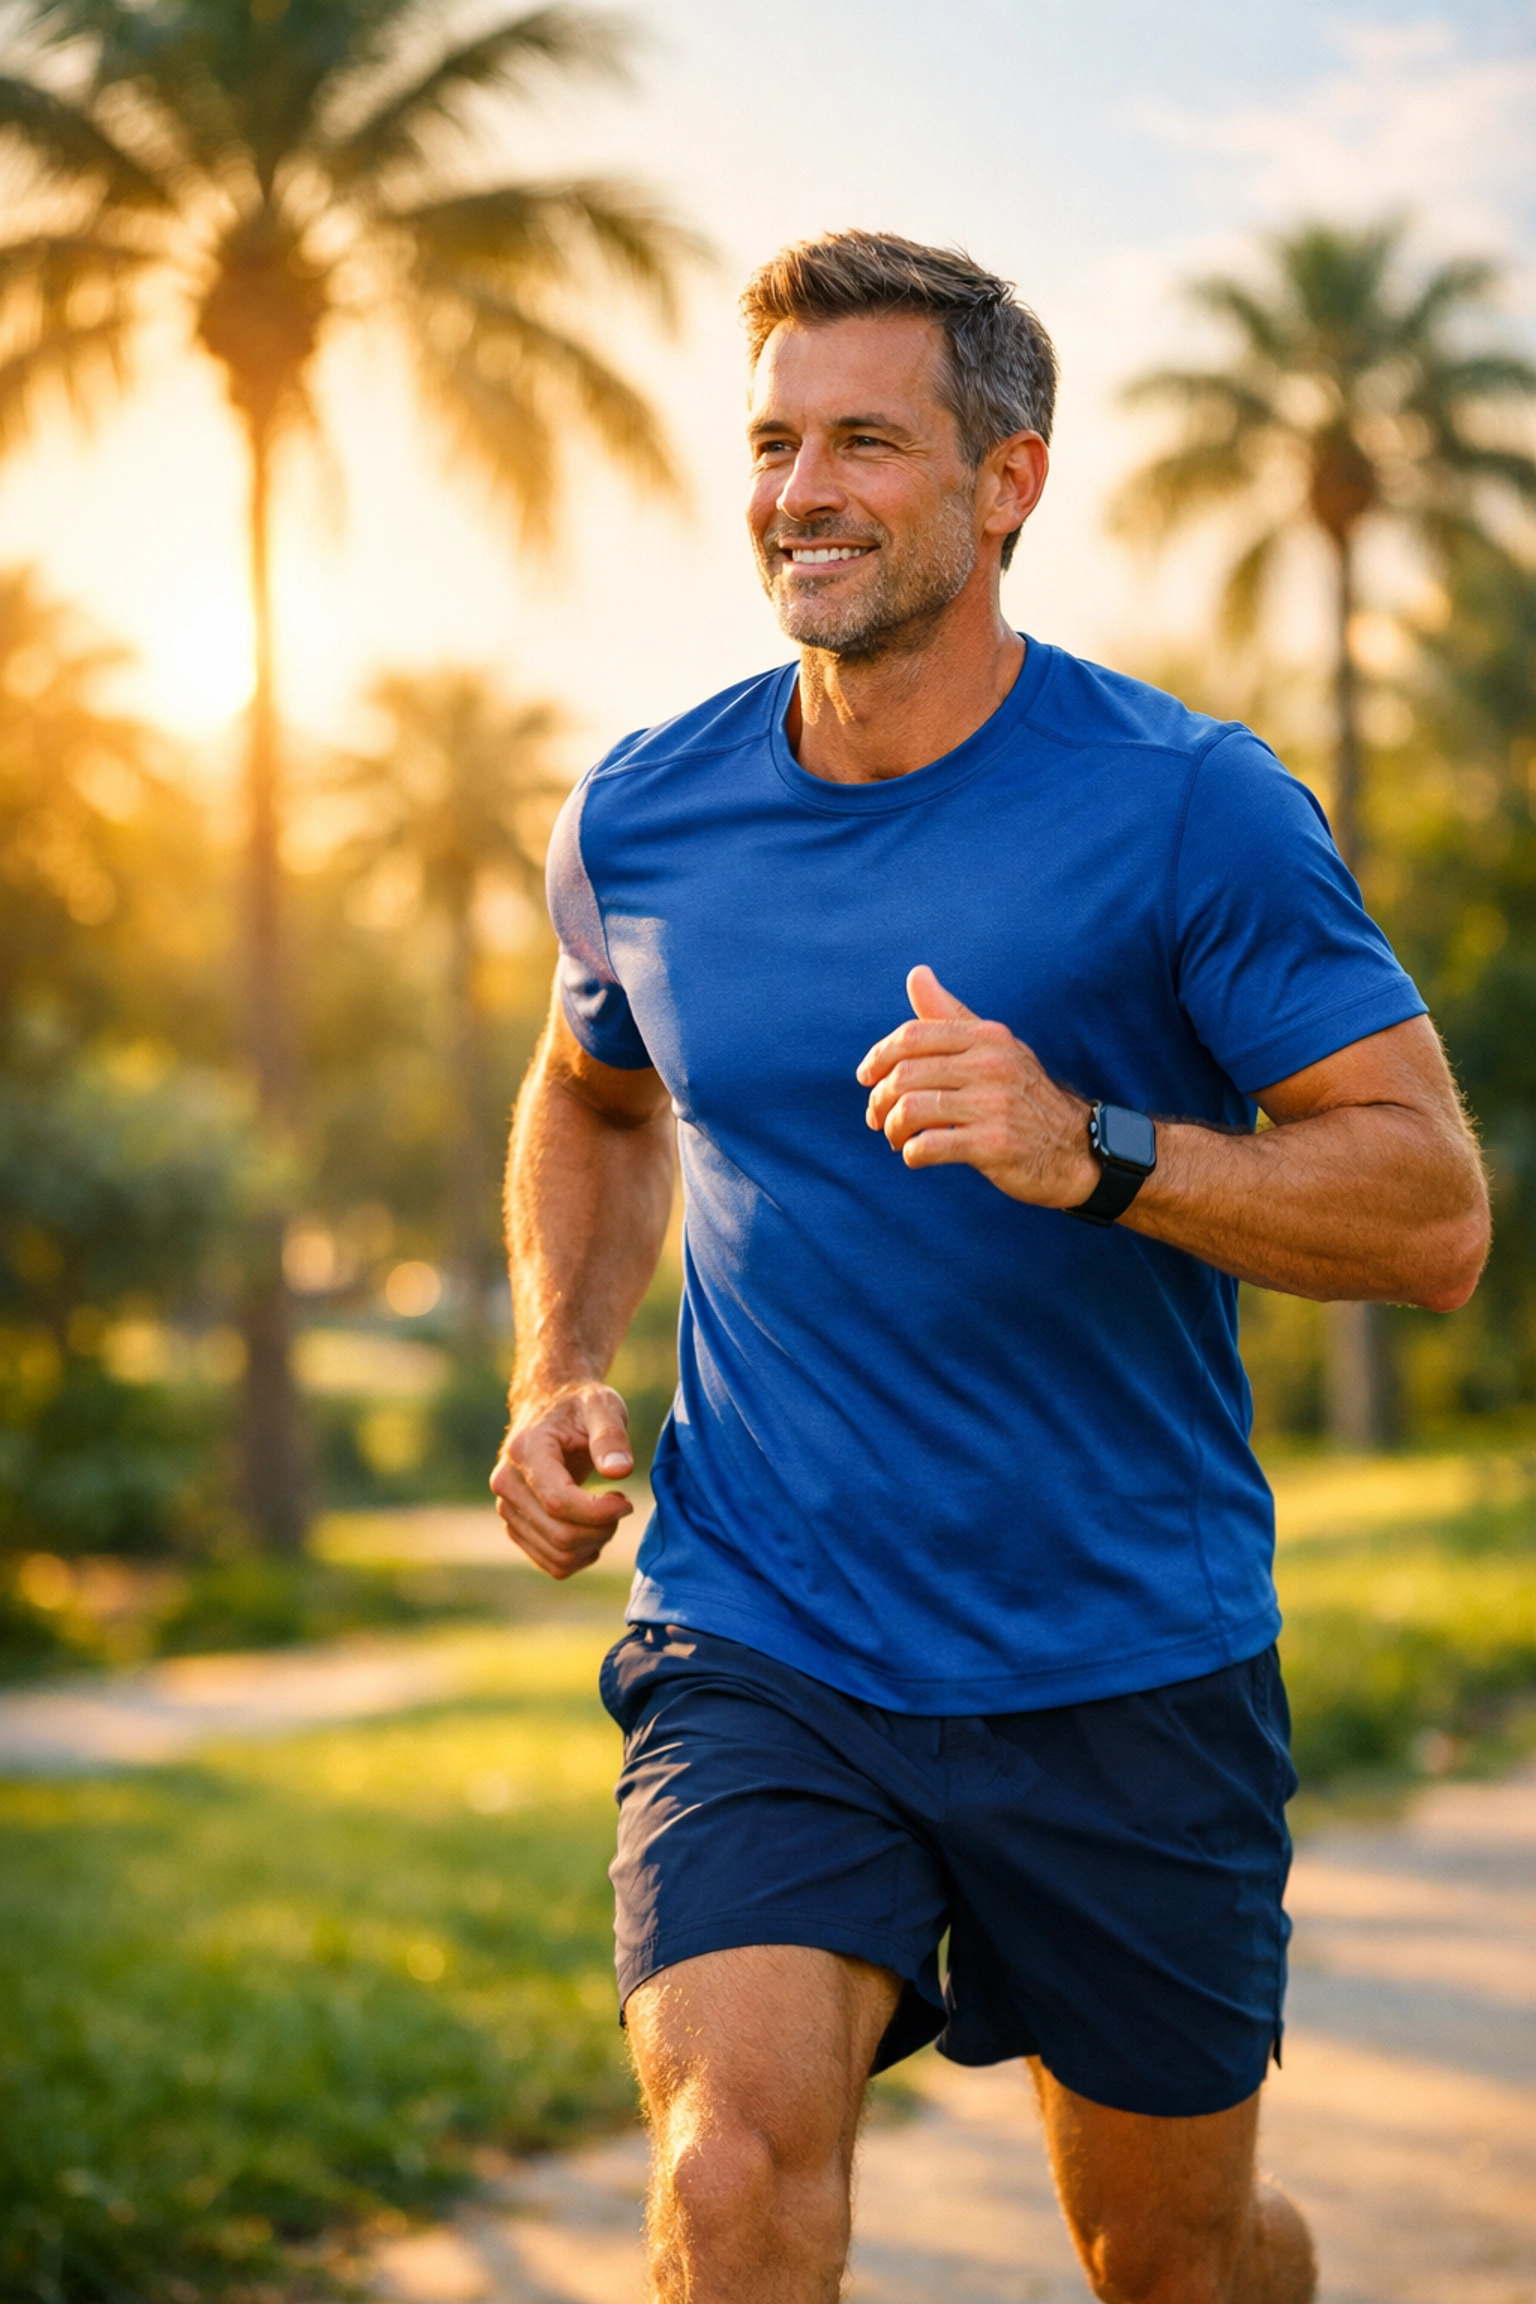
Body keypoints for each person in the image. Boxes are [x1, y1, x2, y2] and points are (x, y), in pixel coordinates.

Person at [490, 230, 1489, 2304]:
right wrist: (555, 1363)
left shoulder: (1190, 809)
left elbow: (1431, 1208)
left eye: (865, 438)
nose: (798, 492)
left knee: (1174, 2263)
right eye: (772, 440)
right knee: (734, 2178)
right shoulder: (644, 818)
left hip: (1121, 1654)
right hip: (771, 1633)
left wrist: (1091, 1146)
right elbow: (592, 1098)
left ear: (1007, 480)